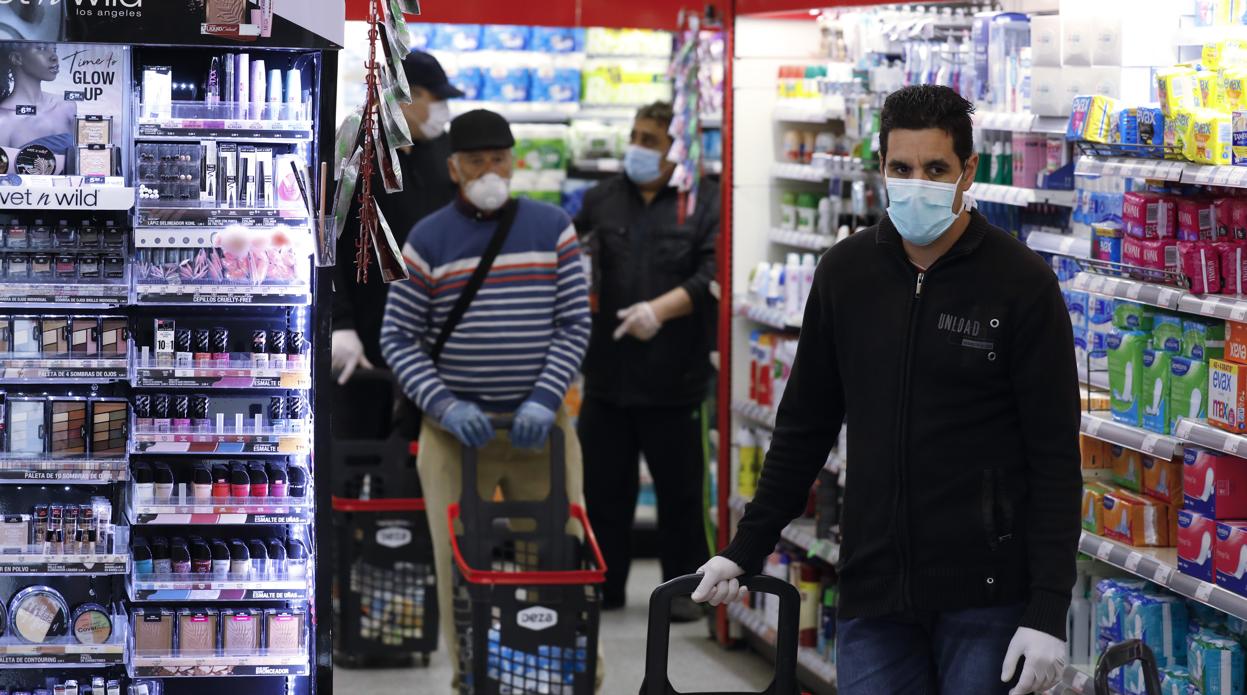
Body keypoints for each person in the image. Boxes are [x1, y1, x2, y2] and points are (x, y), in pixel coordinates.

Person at [692, 85, 1081, 695]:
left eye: (935, 169)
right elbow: (803, 427)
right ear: (880, 167)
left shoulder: (1021, 283)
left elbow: (1056, 458)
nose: (917, 182)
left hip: (987, 598)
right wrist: (746, 547)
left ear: (967, 171)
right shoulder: (846, 273)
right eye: (901, 168)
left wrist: (1048, 608)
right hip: (873, 589)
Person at [380, 109, 593, 688]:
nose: (490, 171)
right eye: (476, 161)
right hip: (453, 437)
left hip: (540, 433)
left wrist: (545, 400)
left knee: (559, 554)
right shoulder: (426, 239)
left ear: (515, 160)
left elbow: (574, 323)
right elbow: (397, 337)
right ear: (454, 168)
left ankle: (561, 671)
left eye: (500, 159)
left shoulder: (553, 228)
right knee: (457, 565)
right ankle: (471, 673)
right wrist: (445, 406)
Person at [573, 101, 718, 619]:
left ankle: (683, 596)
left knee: (680, 497)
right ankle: (602, 589)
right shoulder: (601, 199)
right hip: (608, 376)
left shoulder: (703, 203)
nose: (637, 146)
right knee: (602, 492)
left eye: (650, 139)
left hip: (674, 379)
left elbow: (711, 275)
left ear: (675, 148)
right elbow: (572, 261)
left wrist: (660, 310)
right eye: (634, 135)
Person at [332, 50, 463, 388]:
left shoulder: (444, 149)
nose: (443, 112)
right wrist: (339, 322)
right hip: (369, 336)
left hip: (436, 334)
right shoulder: (353, 153)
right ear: (408, 96)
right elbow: (325, 241)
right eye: (437, 99)